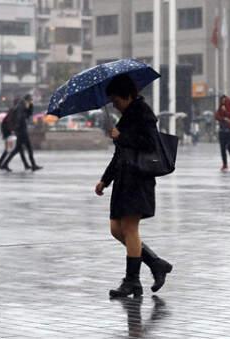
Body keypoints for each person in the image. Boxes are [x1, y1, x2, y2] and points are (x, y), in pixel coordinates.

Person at [95, 74, 173, 297]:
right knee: (116, 229)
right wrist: (105, 179)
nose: (115, 106)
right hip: (123, 179)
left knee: (129, 229)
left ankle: (132, 281)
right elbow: (120, 154)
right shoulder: (127, 116)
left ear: (128, 96)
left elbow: (149, 144)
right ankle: (155, 263)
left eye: (117, 101)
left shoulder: (143, 113)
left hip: (138, 179)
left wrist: (122, 136)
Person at [0, 95, 42, 171]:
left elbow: (29, 115)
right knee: (27, 149)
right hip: (22, 131)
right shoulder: (20, 107)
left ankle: (6, 164)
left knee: (19, 149)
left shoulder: (23, 106)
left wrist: (31, 106)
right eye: (31, 100)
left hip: (21, 131)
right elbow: (20, 118)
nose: (31, 102)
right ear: (27, 100)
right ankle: (33, 165)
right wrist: (17, 129)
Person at [215, 95, 230, 171]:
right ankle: (225, 164)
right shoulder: (220, 107)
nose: (223, 102)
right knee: (222, 148)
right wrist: (224, 118)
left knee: (229, 146)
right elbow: (217, 116)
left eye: (224, 100)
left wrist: (226, 112)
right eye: (222, 101)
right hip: (222, 130)